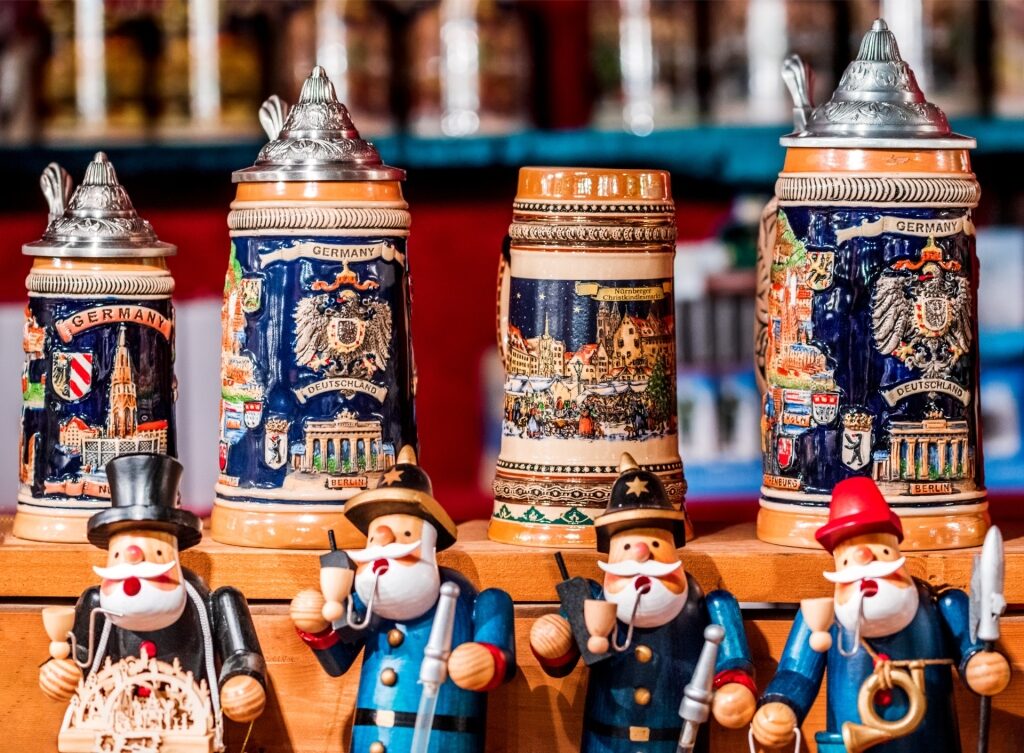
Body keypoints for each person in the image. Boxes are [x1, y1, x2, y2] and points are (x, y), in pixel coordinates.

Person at [751, 477, 1011, 753]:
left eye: (882, 551)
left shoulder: (941, 606)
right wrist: (780, 704)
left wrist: (980, 665)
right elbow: (797, 672)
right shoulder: (820, 619)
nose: (866, 562)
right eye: (848, 560)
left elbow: (973, 650)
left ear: (897, 550)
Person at [291, 446, 516, 753]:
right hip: (371, 738)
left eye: (405, 534)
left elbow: (497, 643)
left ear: (429, 543)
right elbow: (337, 662)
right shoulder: (368, 601)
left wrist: (484, 660)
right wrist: (317, 623)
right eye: (374, 538)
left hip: (442, 741)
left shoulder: (462, 598)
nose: (383, 543)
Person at [529, 453, 756, 752]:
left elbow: (733, 658)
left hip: (678, 740)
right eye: (625, 545)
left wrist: (734, 688)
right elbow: (560, 659)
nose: (640, 552)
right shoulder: (590, 598)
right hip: (607, 741)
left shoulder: (708, 604)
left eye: (656, 543)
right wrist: (552, 637)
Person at [39, 454, 267, 751]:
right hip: (114, 731)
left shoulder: (215, 602)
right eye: (118, 555)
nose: (134, 565)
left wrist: (243, 682)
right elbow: (78, 654)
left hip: (186, 729)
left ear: (173, 554)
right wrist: (58, 670)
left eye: (156, 554)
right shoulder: (96, 605)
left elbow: (241, 654)